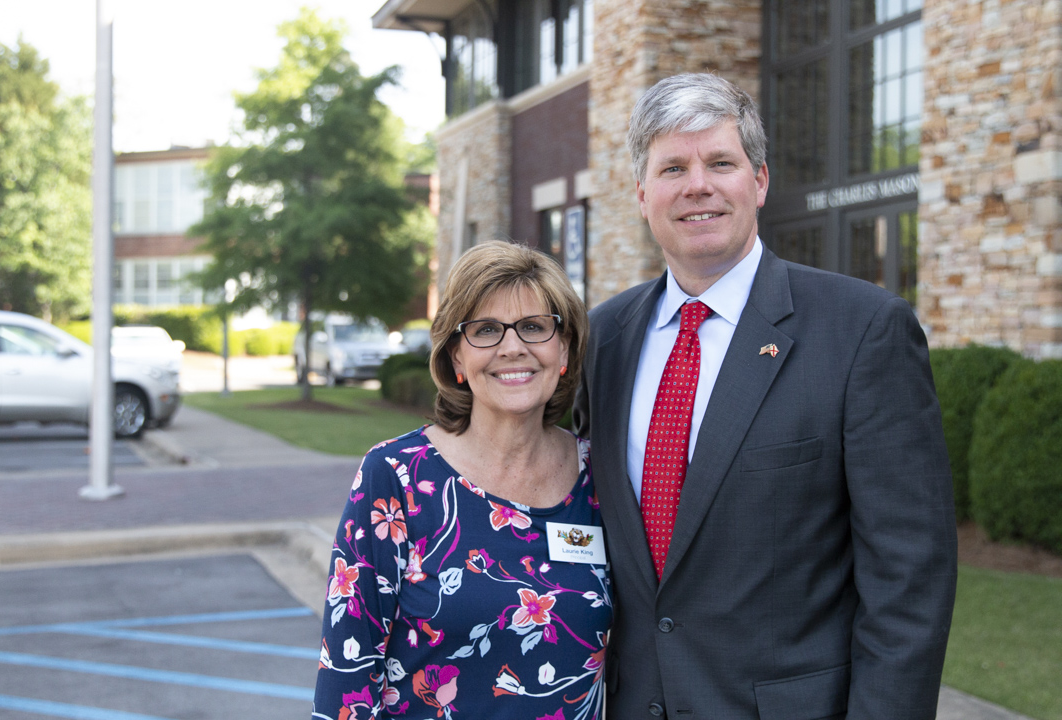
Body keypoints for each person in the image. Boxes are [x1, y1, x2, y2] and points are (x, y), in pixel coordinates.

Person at [574, 72, 957, 719]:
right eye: (673, 168)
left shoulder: (862, 329)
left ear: (759, 181)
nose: (697, 185)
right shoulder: (603, 338)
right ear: (642, 195)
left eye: (720, 162)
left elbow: (909, 579)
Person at [313, 240, 608, 720]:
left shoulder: (603, 476)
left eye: (534, 327)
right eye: (487, 330)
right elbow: (345, 677)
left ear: (565, 350)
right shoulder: (396, 478)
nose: (513, 347)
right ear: (455, 358)